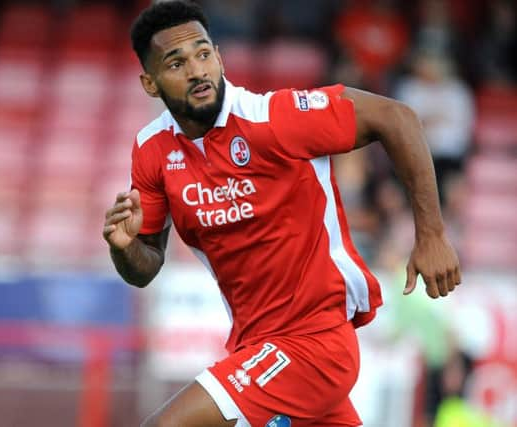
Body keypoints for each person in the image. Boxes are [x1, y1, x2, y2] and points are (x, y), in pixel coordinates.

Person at [102, 2, 461, 426]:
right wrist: (124, 248)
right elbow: (145, 267)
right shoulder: (152, 150)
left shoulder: (273, 118)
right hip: (255, 346)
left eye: (203, 54)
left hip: (313, 342)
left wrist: (432, 235)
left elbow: (397, 118)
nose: (197, 71)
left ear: (218, 56)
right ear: (150, 82)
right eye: (176, 63)